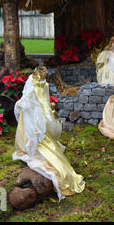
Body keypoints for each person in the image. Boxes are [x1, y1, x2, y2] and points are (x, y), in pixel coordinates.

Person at [13, 66, 85, 201]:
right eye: (40, 73)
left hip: (40, 113)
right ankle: (33, 145)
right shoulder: (31, 85)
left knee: (45, 138)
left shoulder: (44, 84)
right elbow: (27, 100)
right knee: (34, 136)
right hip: (31, 114)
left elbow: (44, 99)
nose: (42, 75)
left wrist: (46, 114)